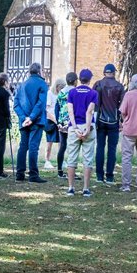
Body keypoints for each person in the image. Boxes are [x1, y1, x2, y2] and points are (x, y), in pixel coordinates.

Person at [12, 62, 49, 183]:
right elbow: (40, 103)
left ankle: (20, 174)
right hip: (36, 120)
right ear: (39, 71)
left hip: (24, 121)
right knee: (33, 147)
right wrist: (31, 118)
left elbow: (16, 104)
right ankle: (33, 175)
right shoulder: (42, 84)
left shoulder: (21, 85)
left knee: (23, 147)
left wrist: (24, 117)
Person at [64, 68, 98, 197]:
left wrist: (75, 127)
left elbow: (70, 111)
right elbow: (90, 111)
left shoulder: (72, 92)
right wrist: (87, 128)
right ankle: (85, 189)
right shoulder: (93, 93)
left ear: (79, 79)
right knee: (87, 159)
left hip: (74, 127)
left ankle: (71, 188)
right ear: (89, 80)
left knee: (71, 158)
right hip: (88, 126)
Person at [93, 63, 125, 184]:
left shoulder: (98, 84)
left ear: (104, 72)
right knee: (112, 149)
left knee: (100, 147)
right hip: (113, 121)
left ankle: (99, 176)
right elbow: (122, 106)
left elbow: (94, 103)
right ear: (114, 73)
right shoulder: (119, 86)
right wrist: (121, 121)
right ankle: (110, 176)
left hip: (100, 120)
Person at [54, 71, 76, 178]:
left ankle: (59, 171)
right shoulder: (75, 92)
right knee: (72, 147)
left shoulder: (61, 92)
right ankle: (71, 172)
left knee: (62, 147)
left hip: (61, 123)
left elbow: (56, 108)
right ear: (75, 81)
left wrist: (58, 121)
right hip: (72, 122)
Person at [43, 77, 65, 171]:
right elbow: (47, 110)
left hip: (59, 120)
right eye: (61, 88)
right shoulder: (49, 94)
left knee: (61, 142)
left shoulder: (61, 95)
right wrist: (55, 120)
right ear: (57, 86)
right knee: (49, 143)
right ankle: (47, 161)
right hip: (51, 121)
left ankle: (61, 160)